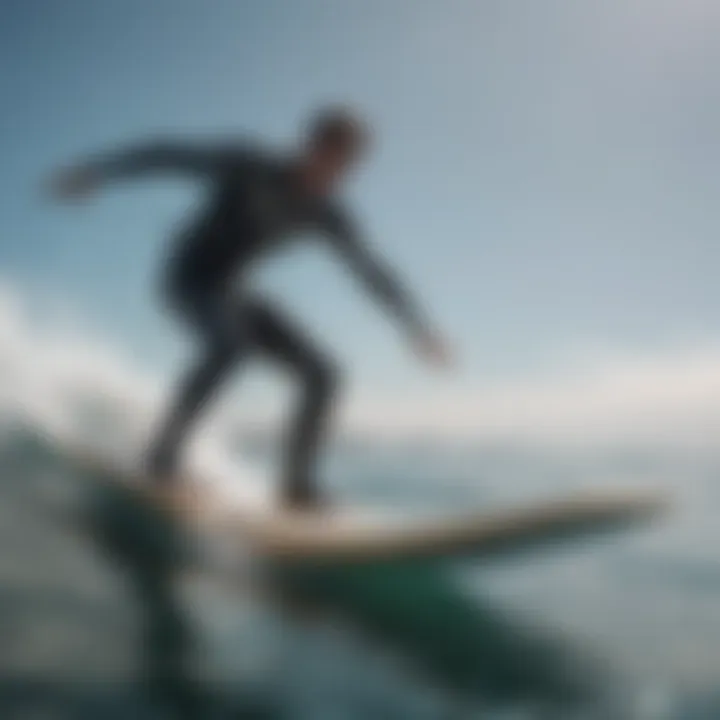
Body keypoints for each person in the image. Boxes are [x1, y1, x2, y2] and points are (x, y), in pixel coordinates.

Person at [48, 107, 451, 509]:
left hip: (234, 291)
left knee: (324, 374)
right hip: (189, 277)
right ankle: (161, 459)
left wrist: (416, 327)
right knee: (230, 347)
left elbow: (371, 271)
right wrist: (97, 172)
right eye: (331, 159)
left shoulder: (327, 213)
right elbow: (167, 154)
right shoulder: (250, 167)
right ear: (310, 146)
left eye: (346, 167)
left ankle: (295, 489)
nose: (335, 175)